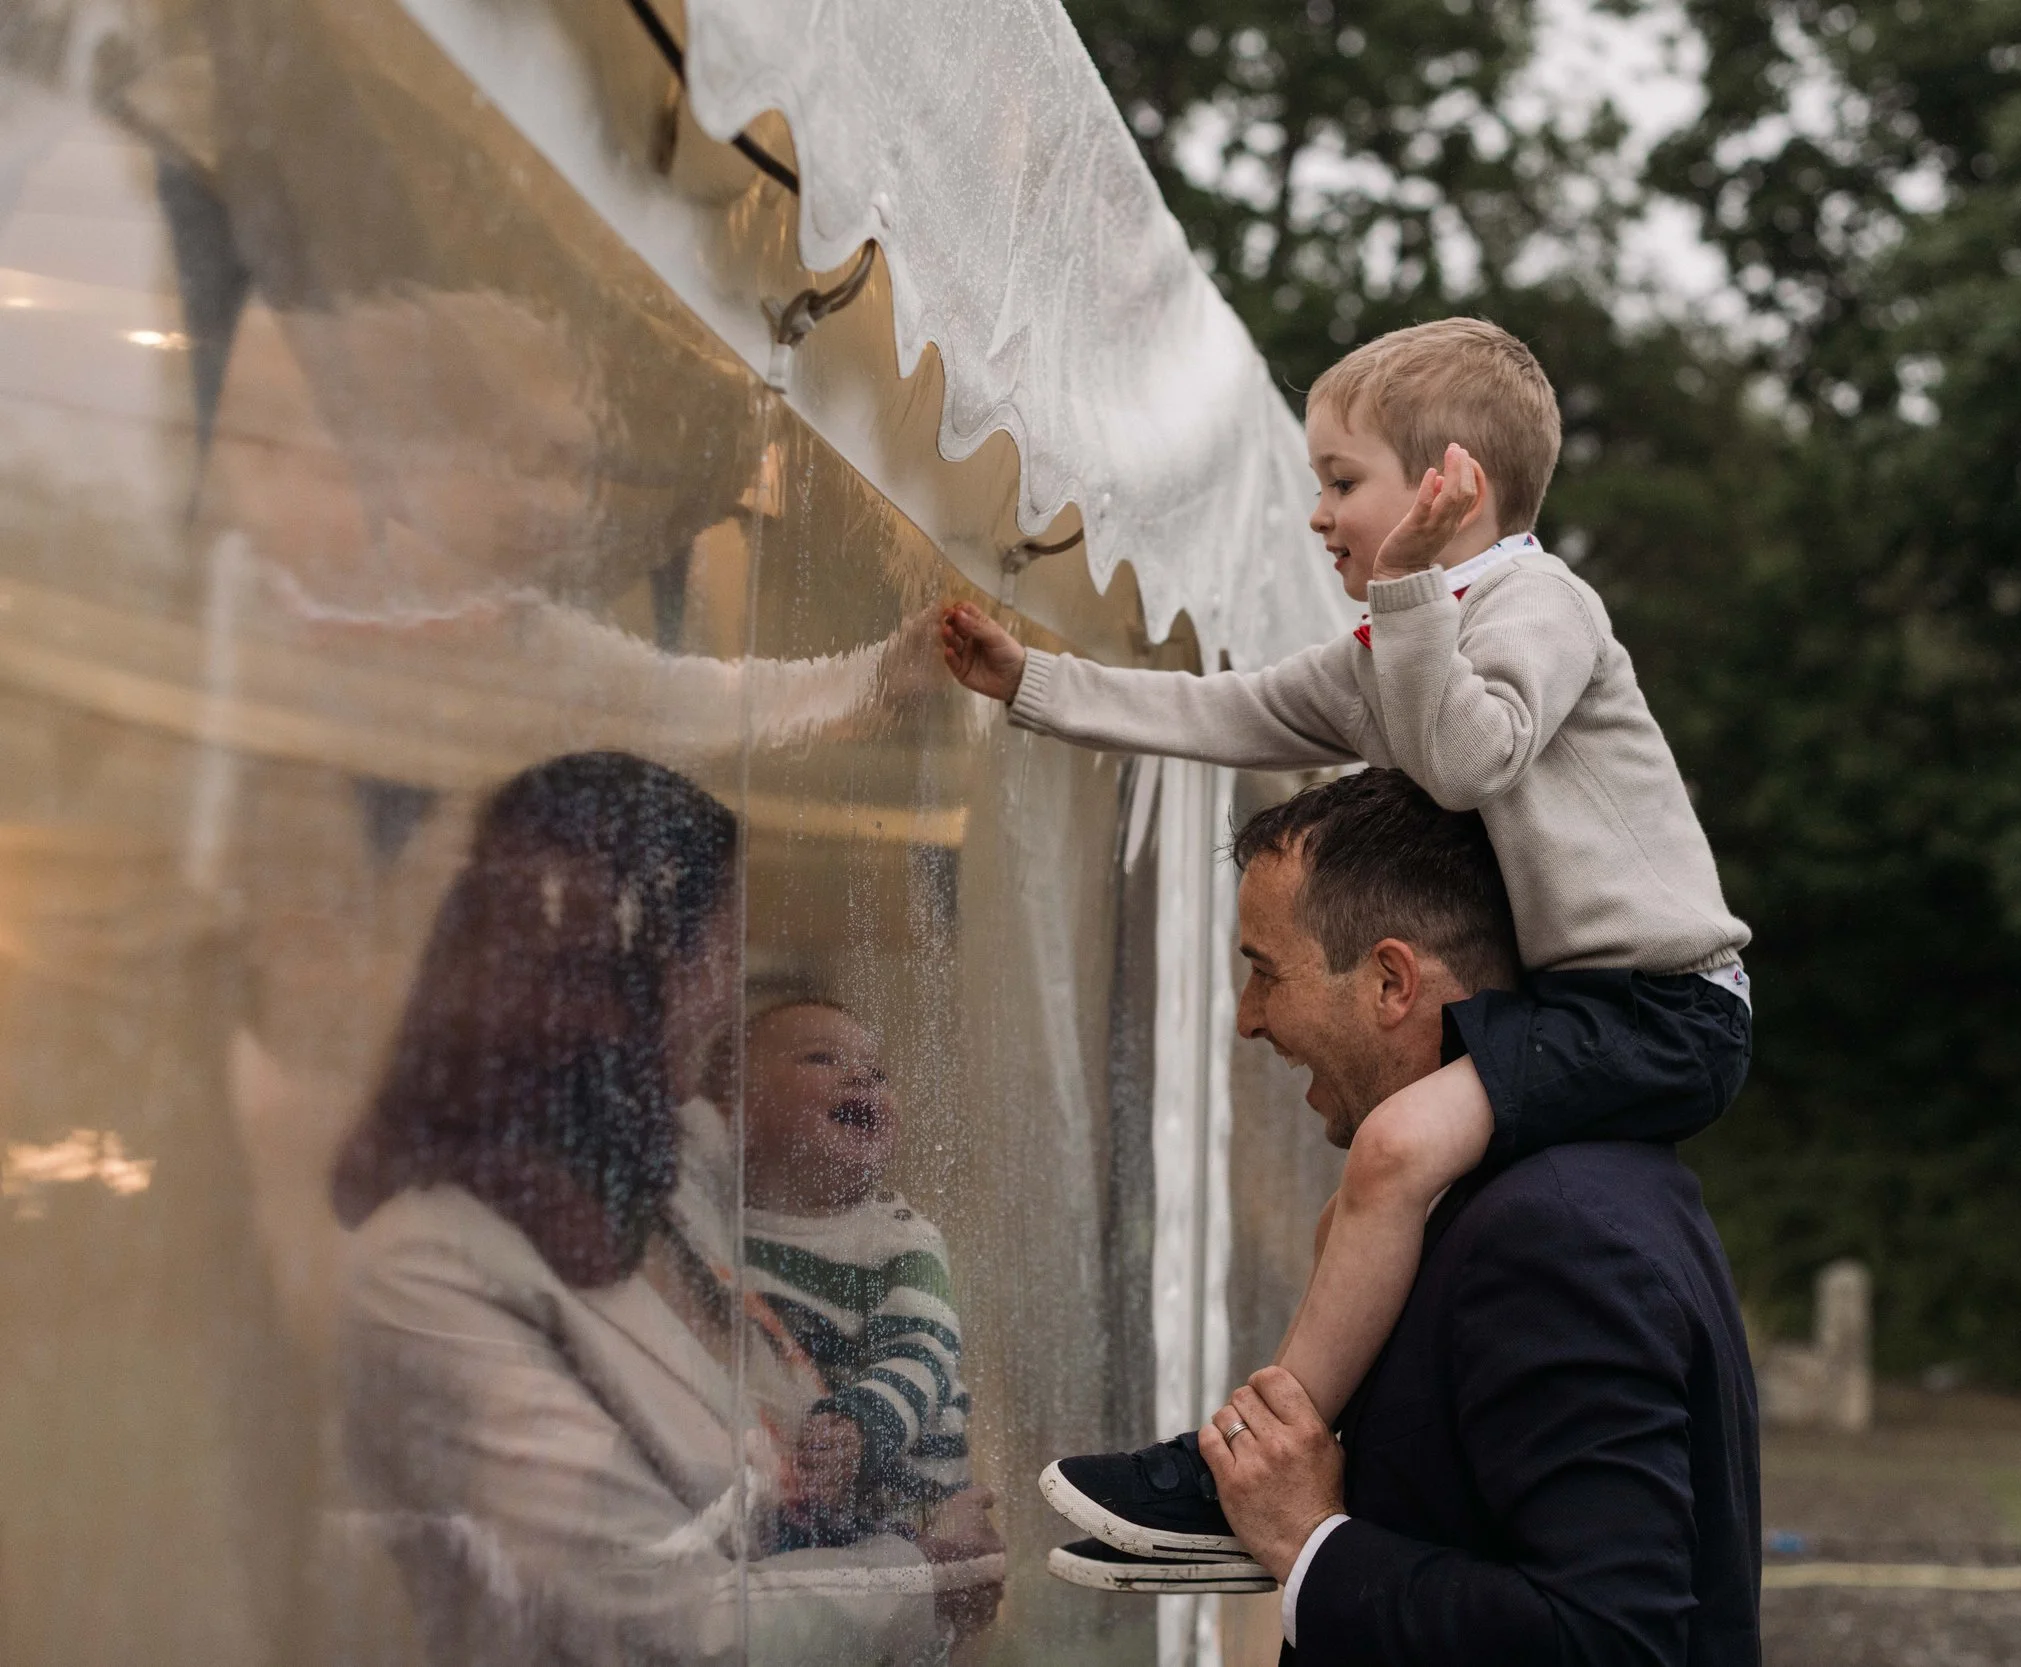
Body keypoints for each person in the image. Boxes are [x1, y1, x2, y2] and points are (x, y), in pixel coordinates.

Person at [938, 317, 1753, 1566]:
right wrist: (1034, 684)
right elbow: (1229, 709)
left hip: (1667, 1007)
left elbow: (1470, 754)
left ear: (1448, 486)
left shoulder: (1541, 604)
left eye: (1340, 480)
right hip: (1576, 1000)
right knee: (1358, 1212)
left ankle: (1237, 1465)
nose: (1317, 515)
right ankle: (1305, 1465)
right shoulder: (1396, 642)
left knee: (1391, 1149)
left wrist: (1409, 591)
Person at [1052, 770, 1762, 1663]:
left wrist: (1310, 1543)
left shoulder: (1551, 1237)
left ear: (1392, 980)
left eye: (1265, 971)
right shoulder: (1534, 1192)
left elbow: (1608, 1638)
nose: (1248, 1019)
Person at [331, 752, 961, 1666]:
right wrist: (921, 1583)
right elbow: (660, 1628)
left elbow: (778, 1136)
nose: (730, 994)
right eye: (721, 952)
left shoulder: (664, 1184)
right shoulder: (426, 1269)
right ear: (618, 969)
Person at [703, 978, 979, 1547]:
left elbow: (923, 1354)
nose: (862, 1078)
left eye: (878, 1072)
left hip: (905, 1502)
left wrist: (861, 1429)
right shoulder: (717, 1231)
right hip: (799, 1498)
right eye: (821, 1059)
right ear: (737, 1114)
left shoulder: (900, 1240)